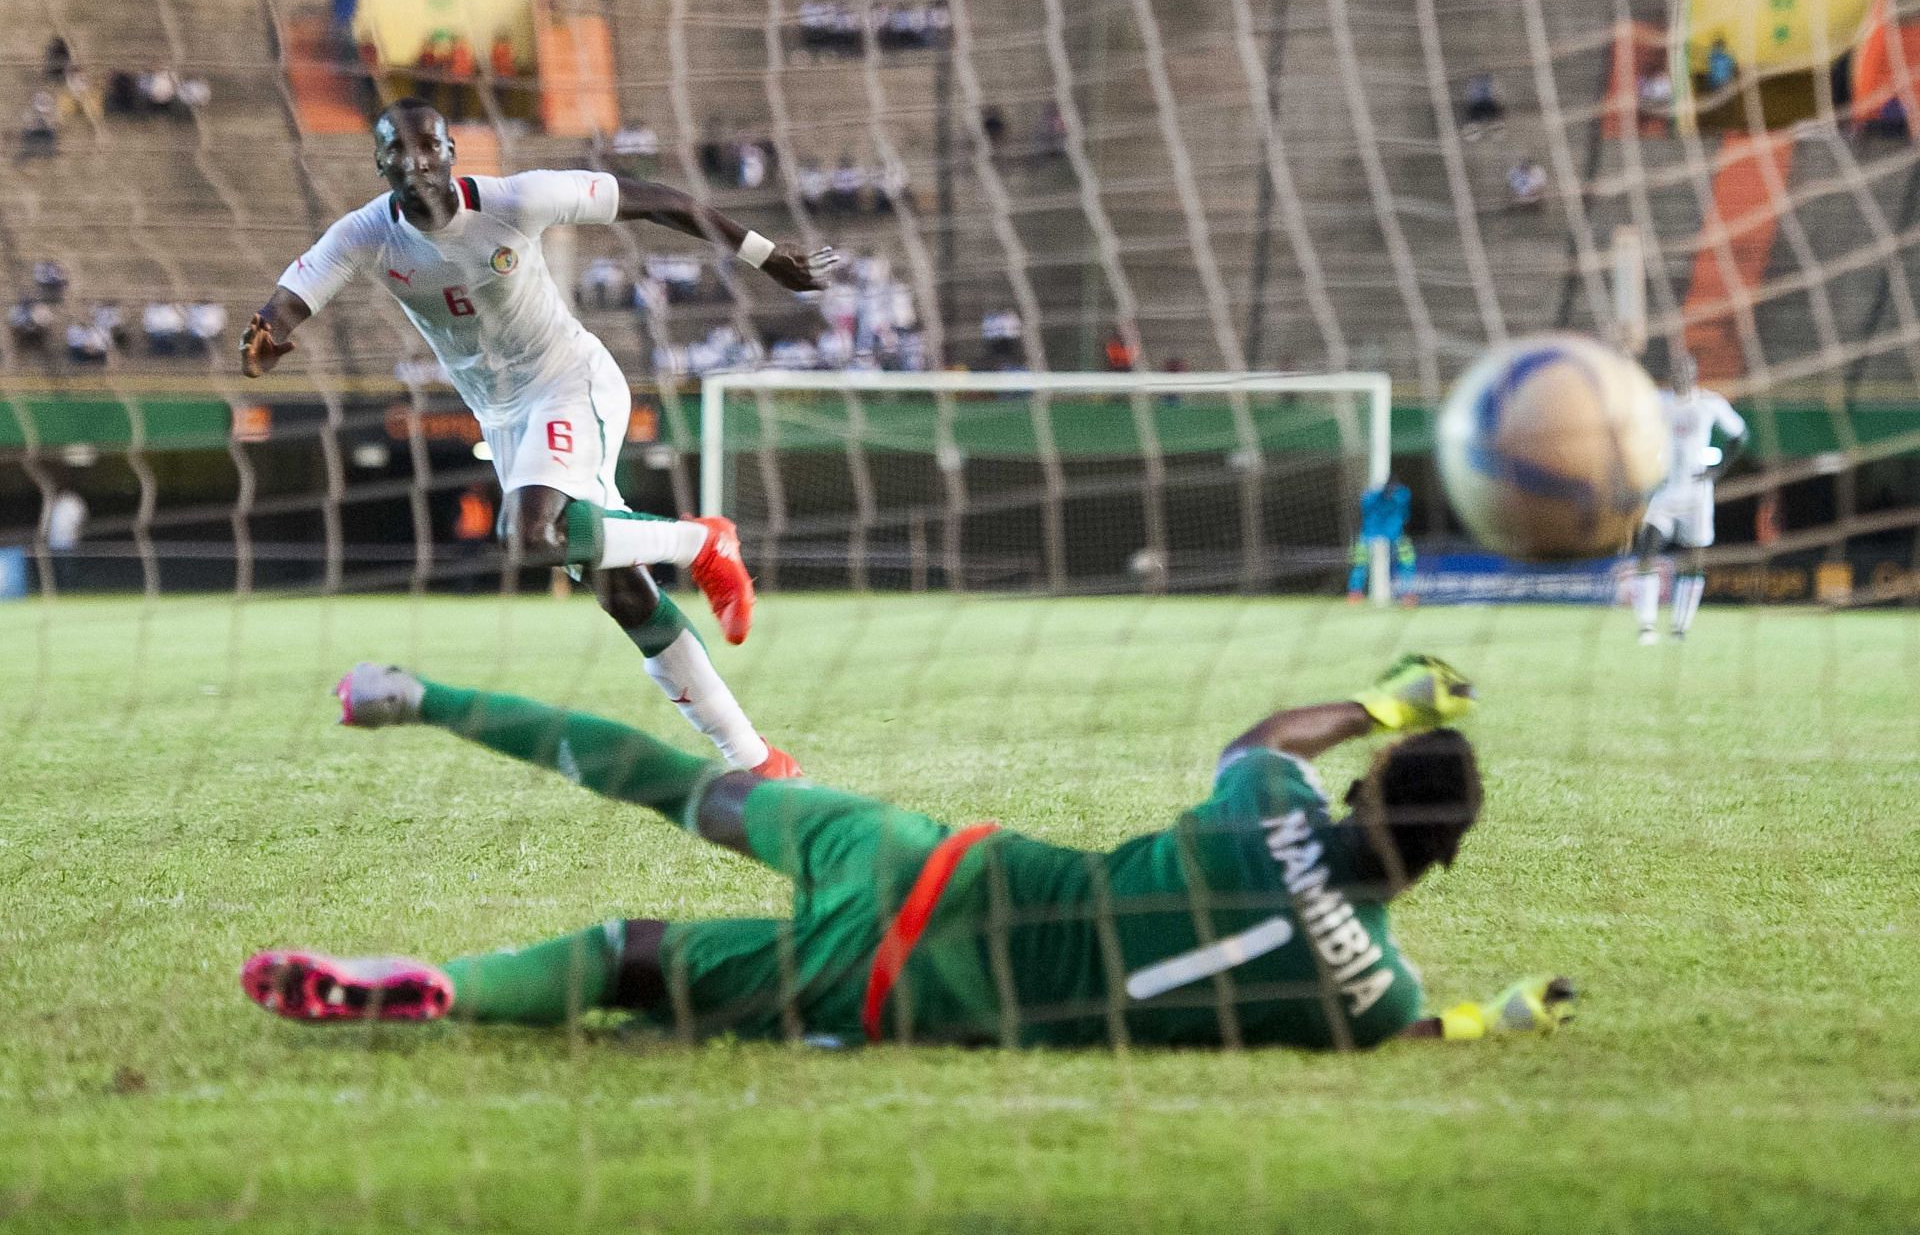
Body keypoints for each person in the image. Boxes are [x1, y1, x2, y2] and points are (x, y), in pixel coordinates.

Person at [244, 655, 1575, 1050]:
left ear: (1365, 780)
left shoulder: (1270, 803)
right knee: (624, 960)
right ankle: (450, 991)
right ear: (1440, 866)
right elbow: (1409, 1029)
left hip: (919, 860)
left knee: (682, 788)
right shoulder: (1369, 994)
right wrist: (1491, 1018)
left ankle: (416, 696)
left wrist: (1396, 699)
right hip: (901, 996)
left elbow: (1260, 728)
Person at [240, 98, 839, 775]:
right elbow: (289, 301)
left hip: (569, 384)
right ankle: (755, 757)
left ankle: (703, 540)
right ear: (380, 163)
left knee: (527, 537)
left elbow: (654, 200)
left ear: (451, 151)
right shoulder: (365, 234)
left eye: (429, 146)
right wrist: (264, 338)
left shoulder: (518, 200)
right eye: (399, 152)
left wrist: (763, 255)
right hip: (504, 421)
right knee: (622, 591)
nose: (417, 163)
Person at [1633, 351, 1747, 645]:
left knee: (1693, 560)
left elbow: (1740, 436)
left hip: (1697, 495)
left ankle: (1679, 629)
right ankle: (1646, 627)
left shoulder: (1709, 404)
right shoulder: (1659, 403)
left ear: (1695, 374)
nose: (1681, 374)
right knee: (1647, 547)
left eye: (1687, 369)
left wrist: (1717, 471)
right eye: (1677, 369)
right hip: (1665, 491)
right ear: (1671, 374)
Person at [1346, 480, 1415, 605]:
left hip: (1389, 534)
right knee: (1359, 561)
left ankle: (1408, 594)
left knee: (1407, 560)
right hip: (1373, 533)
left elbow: (1405, 515)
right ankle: (1355, 592)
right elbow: (1406, 516)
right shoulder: (1374, 496)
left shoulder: (1400, 496)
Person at [45, 485, 87, 592]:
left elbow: (80, 520)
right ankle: (62, 590)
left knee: (68, 568)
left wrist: (76, 534)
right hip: (55, 542)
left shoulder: (74, 501)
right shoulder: (56, 501)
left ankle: (71, 589)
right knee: (58, 568)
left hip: (68, 541)